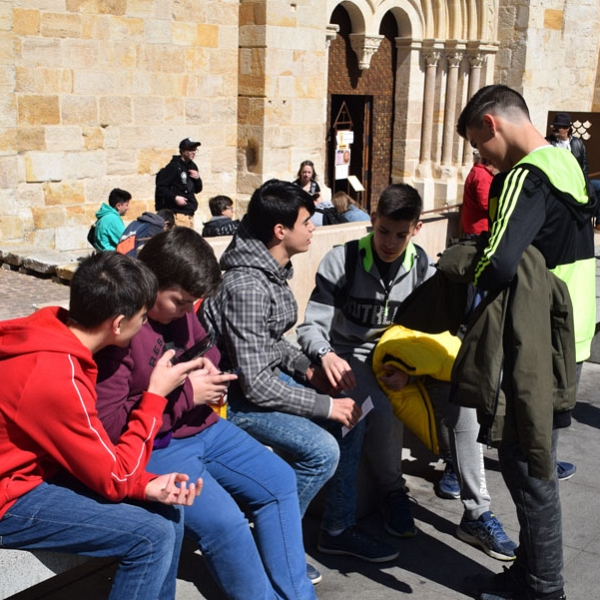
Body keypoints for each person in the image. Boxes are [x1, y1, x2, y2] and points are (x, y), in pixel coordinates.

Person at [296, 183, 516, 562]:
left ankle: (477, 512)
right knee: (377, 407)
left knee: (463, 399)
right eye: (383, 230)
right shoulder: (341, 260)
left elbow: (442, 333)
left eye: (401, 234)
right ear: (373, 221)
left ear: (415, 229)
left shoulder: (425, 269)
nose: (390, 242)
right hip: (354, 356)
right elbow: (310, 327)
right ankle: (392, 491)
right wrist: (326, 354)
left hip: (407, 359)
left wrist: (412, 371)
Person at [95, 227, 318, 599]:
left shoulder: (181, 309)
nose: (186, 311)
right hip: (157, 446)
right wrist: (187, 393)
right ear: (150, 282)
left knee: (279, 480)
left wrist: (205, 368)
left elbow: (205, 346)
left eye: (191, 304)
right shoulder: (122, 326)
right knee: (225, 523)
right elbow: (112, 426)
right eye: (180, 302)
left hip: (204, 426)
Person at [456, 84, 596, 600]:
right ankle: (534, 574)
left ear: (492, 124)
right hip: (574, 333)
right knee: (533, 460)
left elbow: (500, 262)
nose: (482, 159)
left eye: (478, 145)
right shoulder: (567, 164)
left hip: (539, 340)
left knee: (528, 465)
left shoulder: (522, 176)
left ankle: (542, 587)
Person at [0, 252, 203, 600]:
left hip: (31, 472)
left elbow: (99, 461)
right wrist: (155, 395)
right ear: (118, 323)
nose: (145, 326)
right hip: (10, 495)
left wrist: (146, 486)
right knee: (149, 537)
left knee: (167, 510)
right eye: (142, 318)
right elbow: (115, 479)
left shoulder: (49, 330)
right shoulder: (56, 375)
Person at [202, 180, 373, 573]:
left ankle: (336, 527)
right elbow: (256, 385)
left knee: (354, 419)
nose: (313, 228)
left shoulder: (270, 269)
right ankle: (270, 544)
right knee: (322, 450)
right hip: (231, 402)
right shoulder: (246, 285)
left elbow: (270, 343)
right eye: (307, 222)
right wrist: (325, 405)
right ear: (281, 231)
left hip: (255, 383)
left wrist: (309, 370)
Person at [155, 137, 203, 228]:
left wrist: (197, 178)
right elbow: (161, 188)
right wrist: (175, 197)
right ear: (183, 151)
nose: (193, 152)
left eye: (195, 150)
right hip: (178, 214)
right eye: (190, 150)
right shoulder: (173, 167)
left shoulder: (192, 166)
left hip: (189, 213)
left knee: (190, 241)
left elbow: (197, 189)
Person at [461, 149, 494, 236]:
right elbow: (485, 203)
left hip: (475, 225)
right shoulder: (482, 175)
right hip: (480, 227)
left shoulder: (477, 172)